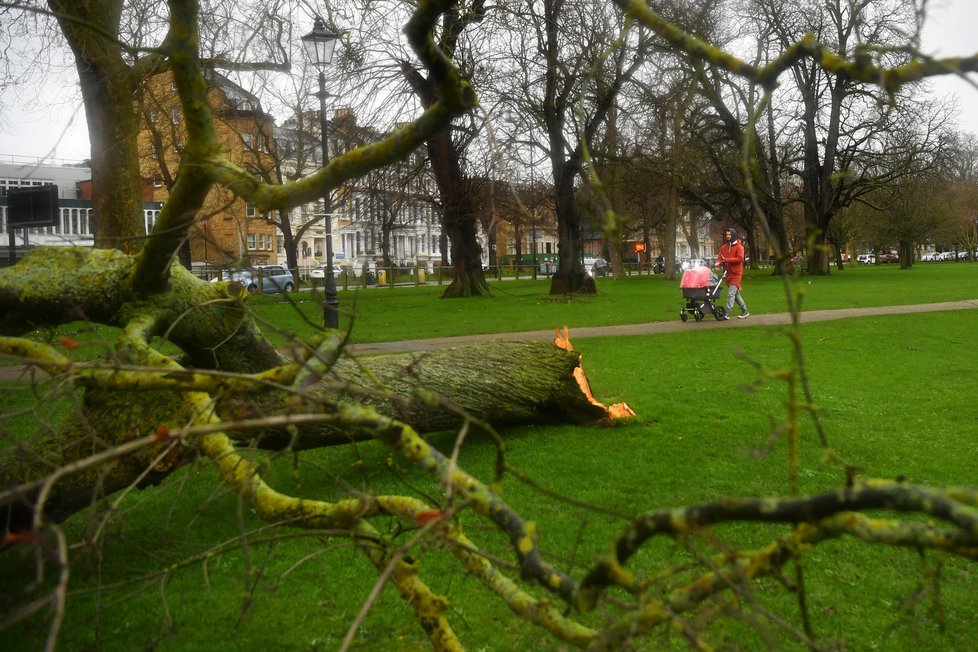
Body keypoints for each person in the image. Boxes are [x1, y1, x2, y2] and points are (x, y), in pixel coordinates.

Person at [715, 227, 750, 319]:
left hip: (736, 274)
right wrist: (718, 262)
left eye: (729, 234)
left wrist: (726, 260)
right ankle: (745, 311)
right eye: (726, 235)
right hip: (728, 274)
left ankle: (726, 313)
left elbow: (740, 259)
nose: (728, 236)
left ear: (733, 235)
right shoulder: (724, 247)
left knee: (731, 294)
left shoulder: (739, 247)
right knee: (736, 295)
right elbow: (720, 257)